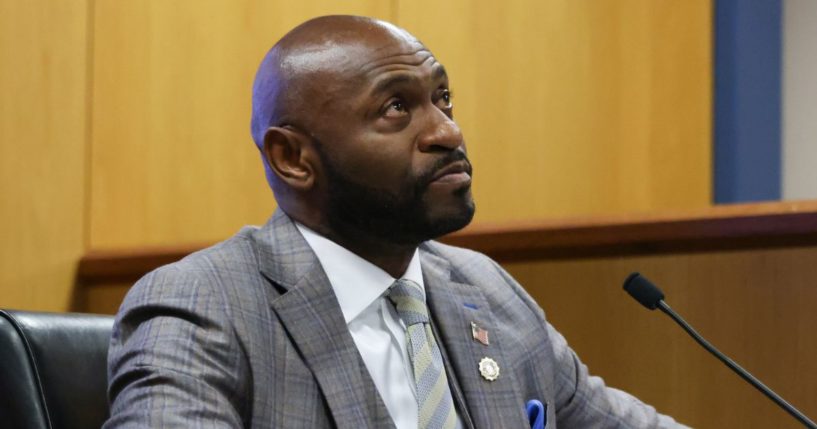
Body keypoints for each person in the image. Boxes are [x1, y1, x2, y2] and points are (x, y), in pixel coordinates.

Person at [104, 15, 687, 428]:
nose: (447, 132)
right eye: (396, 108)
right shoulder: (205, 306)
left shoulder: (483, 290)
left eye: (444, 99)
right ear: (293, 158)